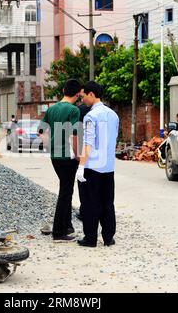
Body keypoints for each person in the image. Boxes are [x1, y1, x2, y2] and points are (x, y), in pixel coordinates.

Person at [76, 81, 119, 248]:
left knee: (90, 203)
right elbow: (113, 139)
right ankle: (108, 238)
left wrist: (81, 166)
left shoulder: (90, 116)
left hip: (92, 167)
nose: (82, 100)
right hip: (108, 167)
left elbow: (87, 143)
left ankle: (90, 238)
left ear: (91, 94)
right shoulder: (113, 115)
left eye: (84, 96)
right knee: (108, 202)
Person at [40, 79, 81, 242]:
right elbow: (74, 134)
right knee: (65, 192)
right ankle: (58, 232)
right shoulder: (74, 110)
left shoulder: (52, 109)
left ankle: (67, 225)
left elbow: (41, 131)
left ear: (64, 90)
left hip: (55, 156)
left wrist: (49, 146)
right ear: (78, 94)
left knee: (67, 189)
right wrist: (78, 155)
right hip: (68, 156)